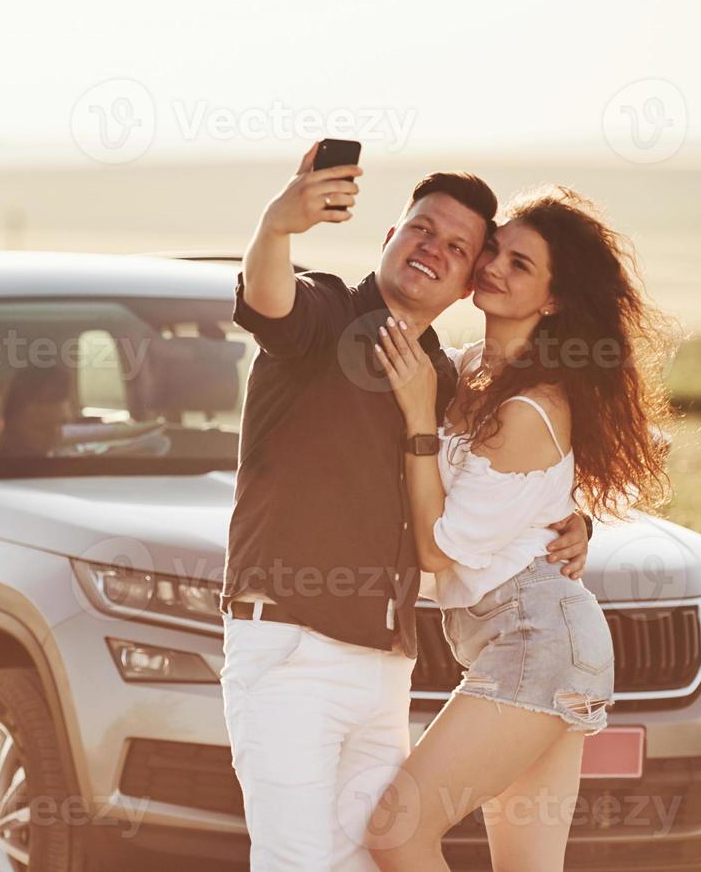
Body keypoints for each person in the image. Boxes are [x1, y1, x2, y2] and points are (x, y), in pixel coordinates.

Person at [219, 144, 592, 872]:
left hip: (385, 665)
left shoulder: (446, 379)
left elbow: (484, 491)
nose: (433, 250)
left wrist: (571, 518)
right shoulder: (325, 316)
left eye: (457, 248)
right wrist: (276, 225)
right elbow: (269, 298)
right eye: (421, 230)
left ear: (464, 285)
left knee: (369, 858)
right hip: (289, 649)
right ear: (389, 238)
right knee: (295, 861)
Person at [366, 186, 677, 872]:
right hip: (532, 640)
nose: (493, 267)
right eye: (495, 251)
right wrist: (574, 521)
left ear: (553, 299)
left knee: (395, 832)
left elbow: (433, 548)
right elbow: (531, 496)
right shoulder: (468, 370)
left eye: (520, 265)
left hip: (537, 642)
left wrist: (420, 421)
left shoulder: (528, 410)